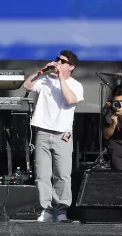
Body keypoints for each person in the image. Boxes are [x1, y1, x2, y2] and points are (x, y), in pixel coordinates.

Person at [23, 50, 83, 223]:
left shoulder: (76, 84)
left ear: (71, 67)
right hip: (42, 131)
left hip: (62, 134)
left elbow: (70, 100)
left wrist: (61, 78)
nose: (58, 62)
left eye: (63, 61)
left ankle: (61, 210)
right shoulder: (45, 80)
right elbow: (27, 86)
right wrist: (41, 71)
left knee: (62, 175)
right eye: (58, 59)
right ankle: (46, 209)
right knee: (42, 175)